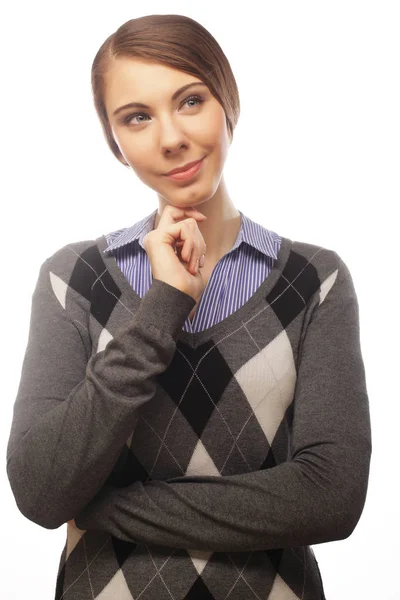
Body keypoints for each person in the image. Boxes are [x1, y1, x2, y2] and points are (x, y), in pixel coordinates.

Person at [6, 13, 371, 600]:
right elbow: (41, 490)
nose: (170, 137)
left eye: (191, 101)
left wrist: (103, 508)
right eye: (138, 117)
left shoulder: (314, 281)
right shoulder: (72, 280)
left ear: (228, 103)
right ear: (115, 143)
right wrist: (164, 305)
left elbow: (331, 496)